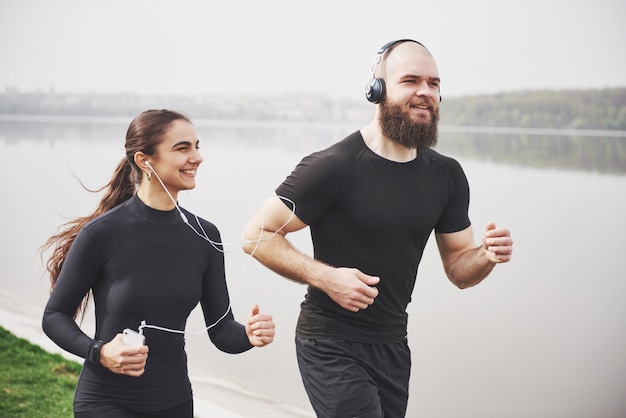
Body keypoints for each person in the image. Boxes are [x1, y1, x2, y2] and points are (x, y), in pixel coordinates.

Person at [241, 39, 513, 417]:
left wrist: (485, 256)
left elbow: (459, 272)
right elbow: (256, 235)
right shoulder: (333, 166)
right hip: (329, 343)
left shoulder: (447, 175)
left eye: (434, 84)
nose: (425, 92)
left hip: (392, 346)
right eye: (411, 80)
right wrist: (327, 278)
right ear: (377, 90)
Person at [41, 109, 275, 418]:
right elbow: (54, 316)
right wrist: (98, 352)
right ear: (144, 160)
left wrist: (248, 335)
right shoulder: (101, 234)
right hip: (106, 401)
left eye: (197, 146)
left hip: (174, 402)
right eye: (182, 148)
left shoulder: (205, 235)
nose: (197, 157)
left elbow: (221, 331)